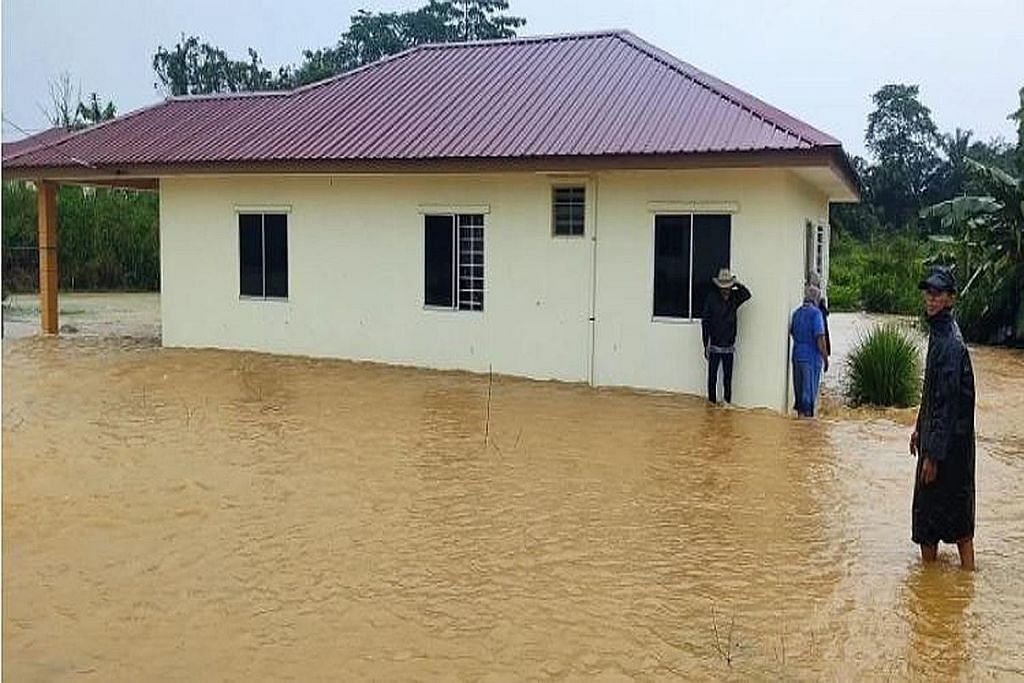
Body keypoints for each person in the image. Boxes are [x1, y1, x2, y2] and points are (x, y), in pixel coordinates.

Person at [910, 266, 976, 570]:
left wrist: (933, 456)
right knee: (948, 517)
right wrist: (918, 428)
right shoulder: (940, 334)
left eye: (937, 294)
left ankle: (943, 583)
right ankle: (941, 588)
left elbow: (947, 403)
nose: (931, 299)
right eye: (928, 292)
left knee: (935, 520)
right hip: (944, 440)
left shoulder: (950, 342)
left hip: (949, 446)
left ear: (951, 299)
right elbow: (932, 391)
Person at [701, 268, 751, 404]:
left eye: (728, 287)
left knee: (727, 379)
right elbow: (705, 322)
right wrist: (706, 344)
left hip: (729, 347)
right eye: (723, 288)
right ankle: (711, 404)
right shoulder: (712, 298)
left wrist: (737, 284)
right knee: (712, 378)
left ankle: (727, 404)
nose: (726, 291)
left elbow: (747, 294)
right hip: (715, 346)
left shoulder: (735, 298)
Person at [789, 285, 829, 417]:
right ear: (816, 299)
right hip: (811, 359)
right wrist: (825, 358)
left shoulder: (796, 313)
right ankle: (807, 429)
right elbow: (820, 338)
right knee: (808, 395)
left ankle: (800, 426)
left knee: (799, 395)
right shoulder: (816, 314)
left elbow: (793, 332)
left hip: (796, 356)